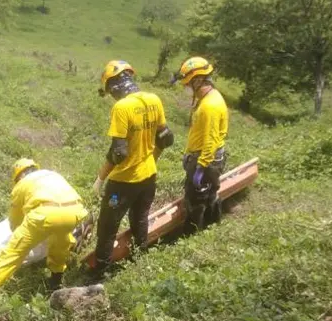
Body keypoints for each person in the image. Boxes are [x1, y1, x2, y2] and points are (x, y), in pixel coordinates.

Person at [90, 60, 173, 280]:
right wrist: (149, 160)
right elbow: (166, 138)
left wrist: (100, 178)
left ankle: (101, 272)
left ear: (114, 86)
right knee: (140, 217)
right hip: (149, 177)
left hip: (123, 182)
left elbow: (119, 153)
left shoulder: (122, 107)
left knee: (107, 226)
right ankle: (139, 259)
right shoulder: (154, 99)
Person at [0, 159, 88, 293]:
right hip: (74, 213)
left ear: (18, 176)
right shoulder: (52, 174)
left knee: (12, 253)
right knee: (59, 246)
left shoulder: (22, 184)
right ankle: (56, 281)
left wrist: (20, 235)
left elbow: (15, 219)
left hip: (44, 215)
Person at [173, 57, 228, 235]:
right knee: (210, 194)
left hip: (206, 159)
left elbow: (210, 140)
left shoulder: (210, 106)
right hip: (208, 157)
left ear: (198, 80)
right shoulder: (208, 98)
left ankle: (192, 235)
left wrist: (201, 167)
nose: (186, 87)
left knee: (195, 200)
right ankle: (212, 228)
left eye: (188, 83)